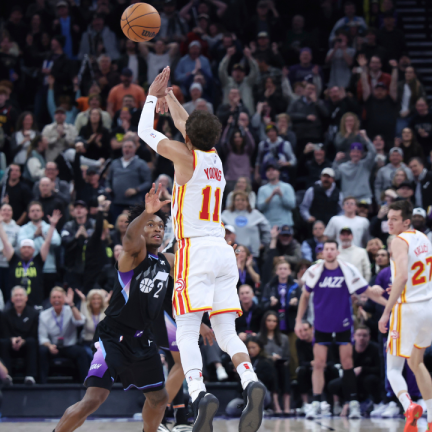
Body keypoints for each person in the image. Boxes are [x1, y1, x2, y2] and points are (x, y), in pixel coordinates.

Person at [138, 67, 265, 431]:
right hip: (224, 249)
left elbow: (146, 132)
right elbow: (187, 126)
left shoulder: (183, 156)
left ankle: (198, 392)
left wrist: (151, 96)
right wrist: (171, 98)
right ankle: (250, 380)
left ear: (187, 136)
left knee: (187, 331)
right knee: (227, 332)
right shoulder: (215, 160)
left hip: (194, 250)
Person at [54, 185, 177, 432]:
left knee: (160, 399)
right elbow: (130, 239)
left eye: (160, 226)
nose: (157, 229)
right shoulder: (132, 255)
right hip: (113, 337)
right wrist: (146, 212)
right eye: (151, 225)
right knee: (93, 400)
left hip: (143, 339)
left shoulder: (168, 261)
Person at [296, 240, 385, 419]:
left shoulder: (348, 270)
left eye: (332, 249)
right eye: (325, 249)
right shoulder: (314, 271)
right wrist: (299, 320)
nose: (329, 252)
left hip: (343, 323)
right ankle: (316, 403)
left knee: (347, 363)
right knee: (318, 363)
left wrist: (388, 305)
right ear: (322, 253)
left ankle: (352, 403)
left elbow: (365, 291)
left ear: (337, 251)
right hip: (321, 324)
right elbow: (305, 296)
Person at [377, 199, 432, 432]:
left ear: (406, 221)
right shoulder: (424, 238)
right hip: (429, 308)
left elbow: (404, 276)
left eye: (395, 219)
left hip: (408, 310)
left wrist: (386, 313)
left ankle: (409, 407)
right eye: (388, 218)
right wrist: (403, 286)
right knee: (416, 363)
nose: (390, 223)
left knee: (393, 369)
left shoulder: (398, 241)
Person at [0, 209, 61, 306]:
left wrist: (52, 226)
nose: (26, 249)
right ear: (20, 249)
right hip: (16, 302)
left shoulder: (38, 261)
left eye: (29, 247)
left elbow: (47, 243)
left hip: (35, 302)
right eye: (24, 247)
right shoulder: (14, 260)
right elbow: (5, 242)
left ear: (34, 250)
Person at [326, 326, 382, 411]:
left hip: (368, 377)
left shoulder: (375, 348)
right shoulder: (348, 349)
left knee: (370, 380)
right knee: (333, 385)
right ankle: (345, 403)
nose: (361, 338)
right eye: (359, 335)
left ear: (369, 337)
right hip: (352, 377)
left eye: (364, 335)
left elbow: (379, 369)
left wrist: (363, 369)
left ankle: (376, 404)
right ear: (354, 336)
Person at [16, 202, 62, 295]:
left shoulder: (49, 227)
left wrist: (44, 236)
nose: (35, 213)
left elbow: (57, 242)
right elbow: (20, 243)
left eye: (37, 210)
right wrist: (34, 235)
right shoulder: (23, 229)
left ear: (42, 213)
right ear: (29, 214)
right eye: (32, 211)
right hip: (30, 269)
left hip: (48, 268)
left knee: (48, 297)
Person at [0, 286, 39, 385]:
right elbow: (4, 332)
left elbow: (34, 333)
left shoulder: (33, 313)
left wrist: (23, 341)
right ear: (12, 299)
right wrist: (12, 339)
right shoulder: (5, 314)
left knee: (32, 342)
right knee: (3, 343)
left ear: (26, 298)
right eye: (16, 295)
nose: (18, 298)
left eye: (21, 295)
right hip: (11, 344)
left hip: (26, 343)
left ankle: (30, 376)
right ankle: (7, 376)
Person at [220, 191, 271, 258]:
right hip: (232, 252)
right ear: (233, 202)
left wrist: (264, 243)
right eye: (237, 200)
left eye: (243, 200)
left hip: (252, 253)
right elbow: (218, 229)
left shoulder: (255, 214)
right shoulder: (226, 214)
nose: (240, 202)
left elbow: (267, 229)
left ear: (248, 202)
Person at [333, 138, 377, 204]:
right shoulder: (343, 166)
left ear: (361, 154)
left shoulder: (366, 164)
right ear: (350, 153)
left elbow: (373, 152)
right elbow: (335, 176)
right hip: (348, 198)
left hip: (363, 197)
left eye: (358, 152)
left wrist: (365, 138)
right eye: (353, 152)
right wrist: (336, 161)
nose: (355, 154)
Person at [256, 163, 296, 227]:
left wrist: (281, 195)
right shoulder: (262, 189)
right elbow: (260, 207)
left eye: (273, 170)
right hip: (269, 224)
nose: (270, 172)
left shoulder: (287, 187)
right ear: (266, 174)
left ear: (279, 172)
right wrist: (271, 196)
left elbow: (292, 205)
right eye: (268, 170)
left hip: (285, 224)